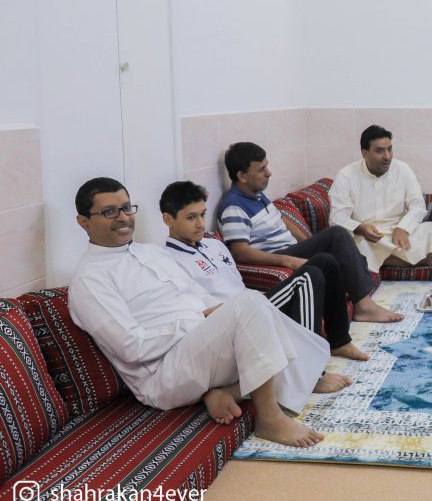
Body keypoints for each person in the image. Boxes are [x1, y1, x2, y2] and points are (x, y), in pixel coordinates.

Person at [69, 177, 346, 447]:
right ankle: (270, 418)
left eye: (127, 208)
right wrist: (200, 318)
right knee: (249, 305)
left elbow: (196, 293)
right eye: (109, 211)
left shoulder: (151, 252)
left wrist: (217, 312)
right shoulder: (90, 280)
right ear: (84, 222)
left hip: (198, 347)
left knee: (255, 302)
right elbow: (132, 347)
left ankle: (245, 388)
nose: (123, 217)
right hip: (162, 373)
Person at [161, 180, 368, 362]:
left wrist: (259, 298)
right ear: (168, 219)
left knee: (325, 262)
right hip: (232, 320)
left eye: (203, 214)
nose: (200, 224)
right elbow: (196, 312)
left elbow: (239, 285)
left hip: (253, 304)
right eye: (191, 217)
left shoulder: (214, 245)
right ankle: (312, 371)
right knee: (307, 277)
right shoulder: (169, 262)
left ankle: (339, 341)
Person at [216, 142, 401, 323]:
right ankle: (363, 306)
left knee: (347, 251)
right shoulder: (233, 206)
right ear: (242, 176)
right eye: (261, 169)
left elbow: (282, 219)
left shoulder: (256, 194)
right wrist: (287, 260)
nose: (269, 173)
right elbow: (240, 252)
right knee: (337, 234)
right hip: (277, 255)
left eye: (267, 166)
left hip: (291, 249)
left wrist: (311, 243)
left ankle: (357, 295)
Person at [328, 125, 432, 273]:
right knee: (352, 244)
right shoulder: (346, 175)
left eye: (389, 149)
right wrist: (360, 228)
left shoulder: (403, 169)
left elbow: (418, 206)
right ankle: (406, 261)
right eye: (380, 151)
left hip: (399, 235)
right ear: (365, 153)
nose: (387, 156)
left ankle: (384, 261)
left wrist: (403, 228)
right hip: (368, 238)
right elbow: (337, 218)